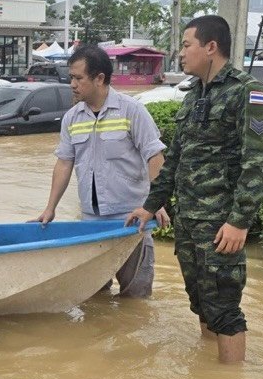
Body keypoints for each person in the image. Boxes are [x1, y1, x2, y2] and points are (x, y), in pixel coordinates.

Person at [126, 15, 263, 364]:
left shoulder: (248, 92)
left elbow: (259, 162)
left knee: (224, 306)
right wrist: (150, 205)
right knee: (200, 301)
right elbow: (174, 159)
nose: (180, 53)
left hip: (221, 223)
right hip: (191, 222)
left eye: (186, 44)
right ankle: (210, 378)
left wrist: (239, 221)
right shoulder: (193, 96)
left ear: (211, 47)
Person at [35, 44, 169, 298]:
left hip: (131, 222)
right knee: (93, 300)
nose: (72, 84)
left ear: (99, 78)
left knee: (135, 301)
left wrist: (156, 203)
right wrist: (50, 208)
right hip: (91, 224)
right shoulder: (72, 118)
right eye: (70, 78)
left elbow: (154, 156)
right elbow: (64, 162)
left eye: (78, 78)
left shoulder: (133, 111)